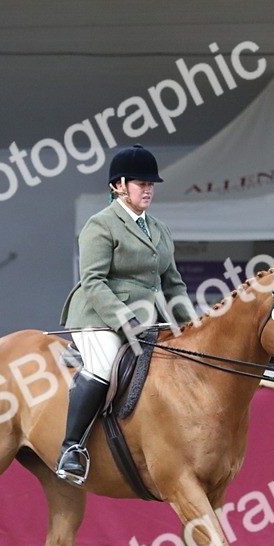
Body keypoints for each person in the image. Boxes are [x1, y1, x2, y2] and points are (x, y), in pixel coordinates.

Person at [55, 144, 196, 484]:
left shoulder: (159, 229)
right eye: (140, 183)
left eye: (151, 184)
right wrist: (124, 321)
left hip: (147, 319)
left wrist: (191, 325)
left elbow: (173, 284)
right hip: (98, 316)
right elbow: (93, 281)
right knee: (104, 365)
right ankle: (71, 448)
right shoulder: (100, 225)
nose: (148, 190)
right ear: (118, 185)